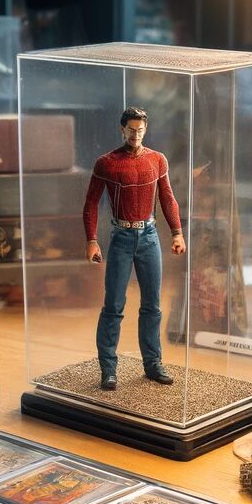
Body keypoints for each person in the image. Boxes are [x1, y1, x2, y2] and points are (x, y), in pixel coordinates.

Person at [82, 106, 185, 390]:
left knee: (152, 305)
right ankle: (108, 369)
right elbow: (91, 203)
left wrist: (177, 233)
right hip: (121, 237)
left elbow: (167, 197)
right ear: (122, 129)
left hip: (149, 236)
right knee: (114, 305)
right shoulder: (107, 163)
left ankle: (153, 364)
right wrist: (91, 240)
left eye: (140, 130)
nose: (135, 135)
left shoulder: (157, 160)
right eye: (131, 130)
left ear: (146, 130)